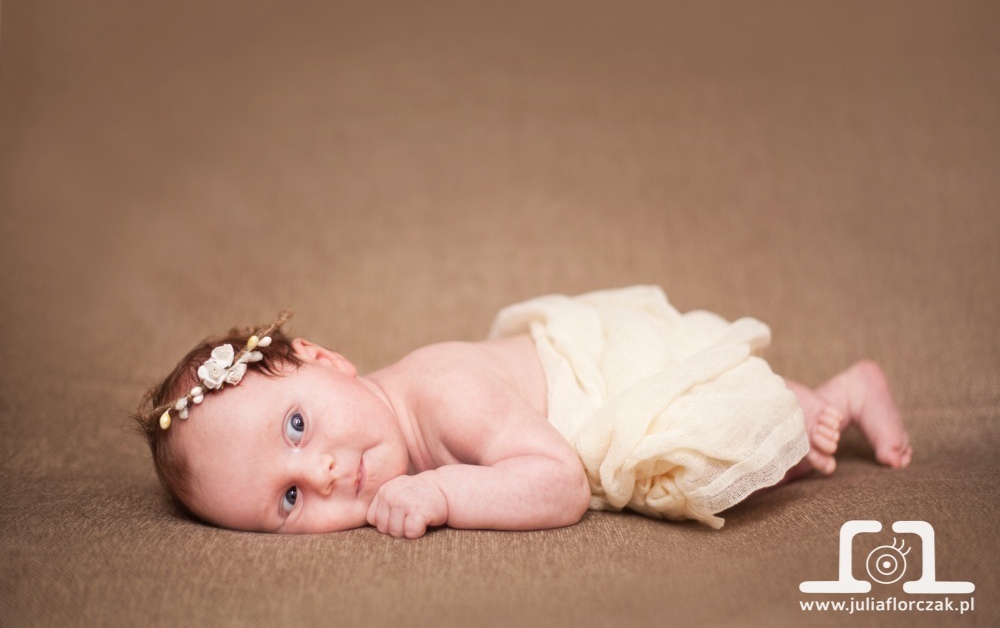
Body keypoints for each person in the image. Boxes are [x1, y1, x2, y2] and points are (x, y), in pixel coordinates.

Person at [135, 286, 911, 538]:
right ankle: (823, 408)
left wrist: (444, 493)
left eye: (297, 427)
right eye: (288, 498)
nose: (326, 471)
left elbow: (560, 482)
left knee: (715, 445)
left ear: (324, 358)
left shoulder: (442, 391)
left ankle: (832, 396)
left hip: (624, 374)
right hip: (598, 391)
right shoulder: (391, 429)